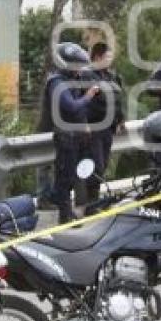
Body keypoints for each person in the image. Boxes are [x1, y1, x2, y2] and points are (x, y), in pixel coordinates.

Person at [39, 43, 101, 224]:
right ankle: (64, 214)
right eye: (77, 66)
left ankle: (66, 210)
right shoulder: (56, 82)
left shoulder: (72, 80)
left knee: (71, 177)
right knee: (64, 177)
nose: (80, 70)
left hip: (75, 135)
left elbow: (79, 111)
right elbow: (72, 107)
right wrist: (89, 95)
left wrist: (85, 125)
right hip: (65, 136)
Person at [80, 42, 125, 207]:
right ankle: (90, 204)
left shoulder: (110, 76)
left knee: (103, 165)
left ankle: (94, 200)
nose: (110, 60)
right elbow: (86, 102)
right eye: (107, 57)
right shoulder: (87, 75)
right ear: (98, 57)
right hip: (94, 127)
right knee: (95, 165)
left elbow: (118, 99)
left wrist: (121, 119)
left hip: (109, 127)